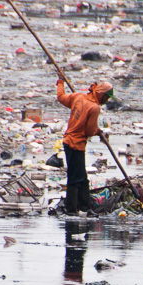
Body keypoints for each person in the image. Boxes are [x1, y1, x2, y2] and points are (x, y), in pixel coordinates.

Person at [55, 78, 113, 215]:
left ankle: (86, 207)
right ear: (101, 94)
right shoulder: (94, 108)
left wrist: (60, 83)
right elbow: (89, 131)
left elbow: (61, 97)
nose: (107, 101)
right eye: (107, 97)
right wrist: (98, 131)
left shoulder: (78, 97)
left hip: (69, 141)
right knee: (75, 177)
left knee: (82, 176)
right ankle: (71, 210)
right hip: (76, 144)